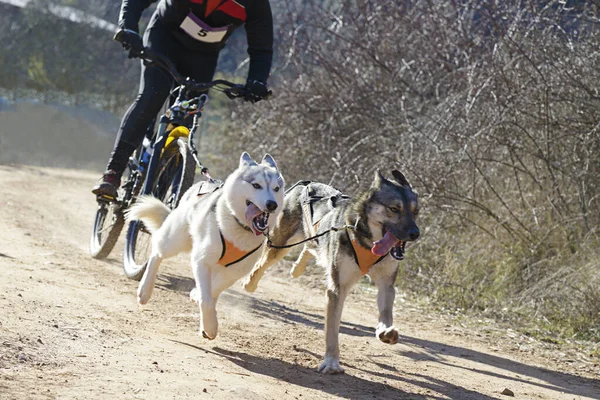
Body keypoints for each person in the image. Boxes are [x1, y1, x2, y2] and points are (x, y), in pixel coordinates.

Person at [92, 0, 273, 197]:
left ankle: (160, 197)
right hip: (164, 38)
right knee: (152, 96)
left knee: (186, 122)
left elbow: (261, 47)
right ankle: (113, 173)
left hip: (203, 56)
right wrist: (129, 29)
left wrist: (257, 81)